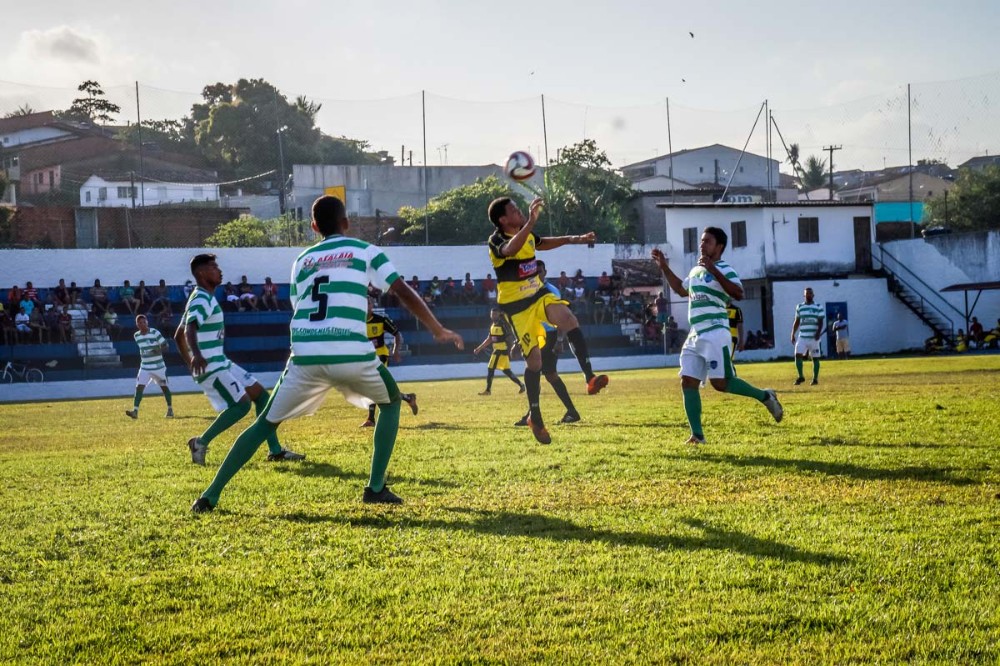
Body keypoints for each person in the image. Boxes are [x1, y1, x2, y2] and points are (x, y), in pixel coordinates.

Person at [190, 195, 463, 512]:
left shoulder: (302, 260)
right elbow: (401, 290)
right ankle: (375, 487)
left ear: (313, 227)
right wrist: (437, 329)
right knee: (391, 402)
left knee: (264, 424)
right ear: (346, 222)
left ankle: (209, 496)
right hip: (350, 351)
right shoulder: (365, 250)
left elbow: (299, 304)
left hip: (305, 355)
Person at [487, 196, 609, 445]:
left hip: (538, 294)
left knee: (569, 319)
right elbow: (510, 250)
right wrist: (530, 222)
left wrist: (577, 239)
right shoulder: (496, 240)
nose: (520, 211)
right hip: (516, 307)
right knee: (535, 363)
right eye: (514, 210)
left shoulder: (528, 235)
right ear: (503, 219)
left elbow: (546, 242)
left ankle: (589, 378)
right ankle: (535, 416)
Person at [651, 229, 782, 445]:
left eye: (707, 241)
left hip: (715, 332)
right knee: (687, 381)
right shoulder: (696, 271)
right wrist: (664, 266)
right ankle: (697, 435)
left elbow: (739, 293)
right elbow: (681, 290)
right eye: (701, 241)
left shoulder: (725, 269)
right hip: (695, 333)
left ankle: (766, 396)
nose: (702, 245)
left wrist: (714, 270)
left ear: (719, 246)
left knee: (721, 383)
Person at [174, 254, 305, 466]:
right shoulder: (201, 299)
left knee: (262, 396)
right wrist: (196, 356)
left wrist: (190, 362)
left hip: (222, 363)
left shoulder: (201, 297)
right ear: (201, 273)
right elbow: (189, 329)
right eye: (213, 267)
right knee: (241, 406)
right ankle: (200, 442)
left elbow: (178, 335)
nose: (219, 270)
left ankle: (275, 451)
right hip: (212, 366)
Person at [513, 260, 580, 426]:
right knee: (549, 374)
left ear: (545, 272)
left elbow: (561, 317)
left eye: (540, 271)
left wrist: (559, 340)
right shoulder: (529, 291)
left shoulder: (551, 291)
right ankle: (571, 411)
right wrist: (518, 339)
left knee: (535, 372)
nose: (537, 274)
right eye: (534, 272)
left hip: (549, 337)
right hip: (536, 336)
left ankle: (532, 415)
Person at [362, 299, 418, 427]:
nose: (366, 305)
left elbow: (397, 334)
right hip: (366, 357)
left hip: (380, 355)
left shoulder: (381, 320)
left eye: (368, 303)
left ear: (372, 305)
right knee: (380, 388)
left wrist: (395, 351)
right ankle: (408, 398)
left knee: (373, 385)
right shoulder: (357, 322)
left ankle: (371, 419)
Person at [125, 314, 175, 419]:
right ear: (137, 324)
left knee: (164, 387)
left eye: (144, 322)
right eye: (140, 323)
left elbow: (166, 346)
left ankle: (170, 409)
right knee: (139, 387)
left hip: (158, 367)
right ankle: (135, 411)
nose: (142, 324)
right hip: (145, 367)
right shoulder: (136, 336)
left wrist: (158, 350)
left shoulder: (155, 333)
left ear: (147, 322)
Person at [474, 308, 525, 396]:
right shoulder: (492, 326)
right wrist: (479, 348)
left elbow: (509, 337)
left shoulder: (503, 325)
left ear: (499, 315)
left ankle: (488, 390)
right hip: (497, 350)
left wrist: (513, 348)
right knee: (506, 371)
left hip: (500, 350)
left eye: (495, 314)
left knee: (490, 368)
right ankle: (521, 385)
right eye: (492, 314)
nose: (493, 316)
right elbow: (489, 339)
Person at [792, 287, 824, 385]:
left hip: (814, 337)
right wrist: (792, 333)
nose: (808, 295)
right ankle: (801, 376)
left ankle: (815, 379)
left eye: (810, 293)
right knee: (797, 354)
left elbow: (821, 321)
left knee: (815, 358)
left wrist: (818, 333)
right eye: (807, 293)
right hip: (802, 336)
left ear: (813, 295)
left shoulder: (818, 307)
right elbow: (797, 321)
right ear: (804, 295)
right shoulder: (799, 307)